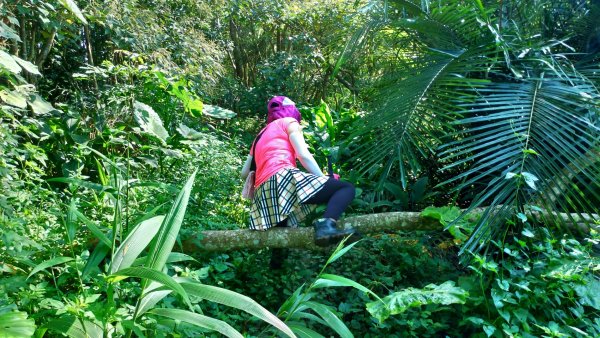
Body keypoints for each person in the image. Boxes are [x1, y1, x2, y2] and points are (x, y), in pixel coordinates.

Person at [241, 96, 358, 253]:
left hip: (263, 192)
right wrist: (323, 179)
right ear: (291, 110)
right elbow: (303, 155)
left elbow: (244, 173)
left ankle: (276, 268)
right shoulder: (289, 123)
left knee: (281, 233)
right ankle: (326, 226)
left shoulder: (259, 136)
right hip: (282, 176)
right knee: (345, 188)